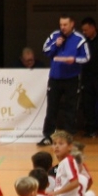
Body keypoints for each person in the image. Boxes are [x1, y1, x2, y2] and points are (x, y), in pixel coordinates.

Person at [39, 15, 90, 145]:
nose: (62, 27)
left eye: (65, 25)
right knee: (52, 108)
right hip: (55, 78)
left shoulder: (79, 39)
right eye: (61, 24)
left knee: (70, 108)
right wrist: (55, 45)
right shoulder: (54, 36)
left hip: (72, 79)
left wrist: (74, 60)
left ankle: (68, 136)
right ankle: (48, 136)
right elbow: (45, 50)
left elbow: (87, 57)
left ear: (72, 24)